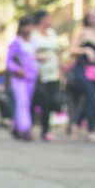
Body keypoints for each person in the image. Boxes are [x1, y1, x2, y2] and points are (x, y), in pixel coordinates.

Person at [68, 10, 95, 143]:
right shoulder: (82, 31)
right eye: (91, 16)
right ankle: (91, 130)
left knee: (92, 98)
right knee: (90, 95)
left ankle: (76, 124)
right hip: (83, 69)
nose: (94, 19)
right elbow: (71, 49)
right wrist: (86, 50)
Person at [6, 16, 39, 141]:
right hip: (19, 78)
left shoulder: (32, 43)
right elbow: (9, 61)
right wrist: (17, 70)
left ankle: (16, 126)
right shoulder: (16, 43)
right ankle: (25, 129)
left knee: (26, 102)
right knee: (22, 102)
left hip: (31, 77)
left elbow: (33, 59)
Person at [30, 10, 61, 142]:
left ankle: (46, 130)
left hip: (53, 72)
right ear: (41, 19)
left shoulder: (52, 33)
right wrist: (38, 57)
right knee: (37, 100)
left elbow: (57, 50)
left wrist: (61, 66)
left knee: (51, 101)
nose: (50, 19)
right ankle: (29, 127)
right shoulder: (33, 34)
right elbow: (28, 51)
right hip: (38, 72)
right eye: (48, 17)